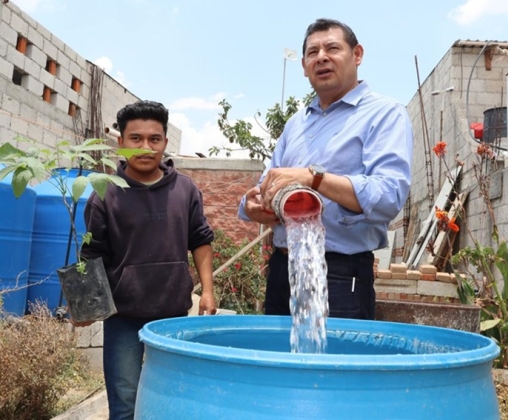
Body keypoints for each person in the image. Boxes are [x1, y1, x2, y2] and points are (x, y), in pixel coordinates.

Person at [238, 18, 413, 320]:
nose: (321, 57)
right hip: (283, 269)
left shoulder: (384, 114)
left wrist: (313, 178)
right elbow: (267, 181)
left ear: (357, 55)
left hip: (341, 275)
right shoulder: (296, 124)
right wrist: (253, 204)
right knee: (280, 364)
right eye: (312, 52)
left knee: (335, 366)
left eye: (332, 48)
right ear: (305, 67)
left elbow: (388, 196)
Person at [78, 100, 217, 420]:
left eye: (154, 139)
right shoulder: (104, 194)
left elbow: (200, 240)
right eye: (136, 139)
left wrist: (207, 289)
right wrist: (84, 302)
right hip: (123, 317)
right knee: (125, 402)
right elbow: (90, 251)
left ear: (165, 143)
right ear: (121, 143)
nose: (145, 146)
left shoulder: (185, 189)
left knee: (172, 399)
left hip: (173, 315)